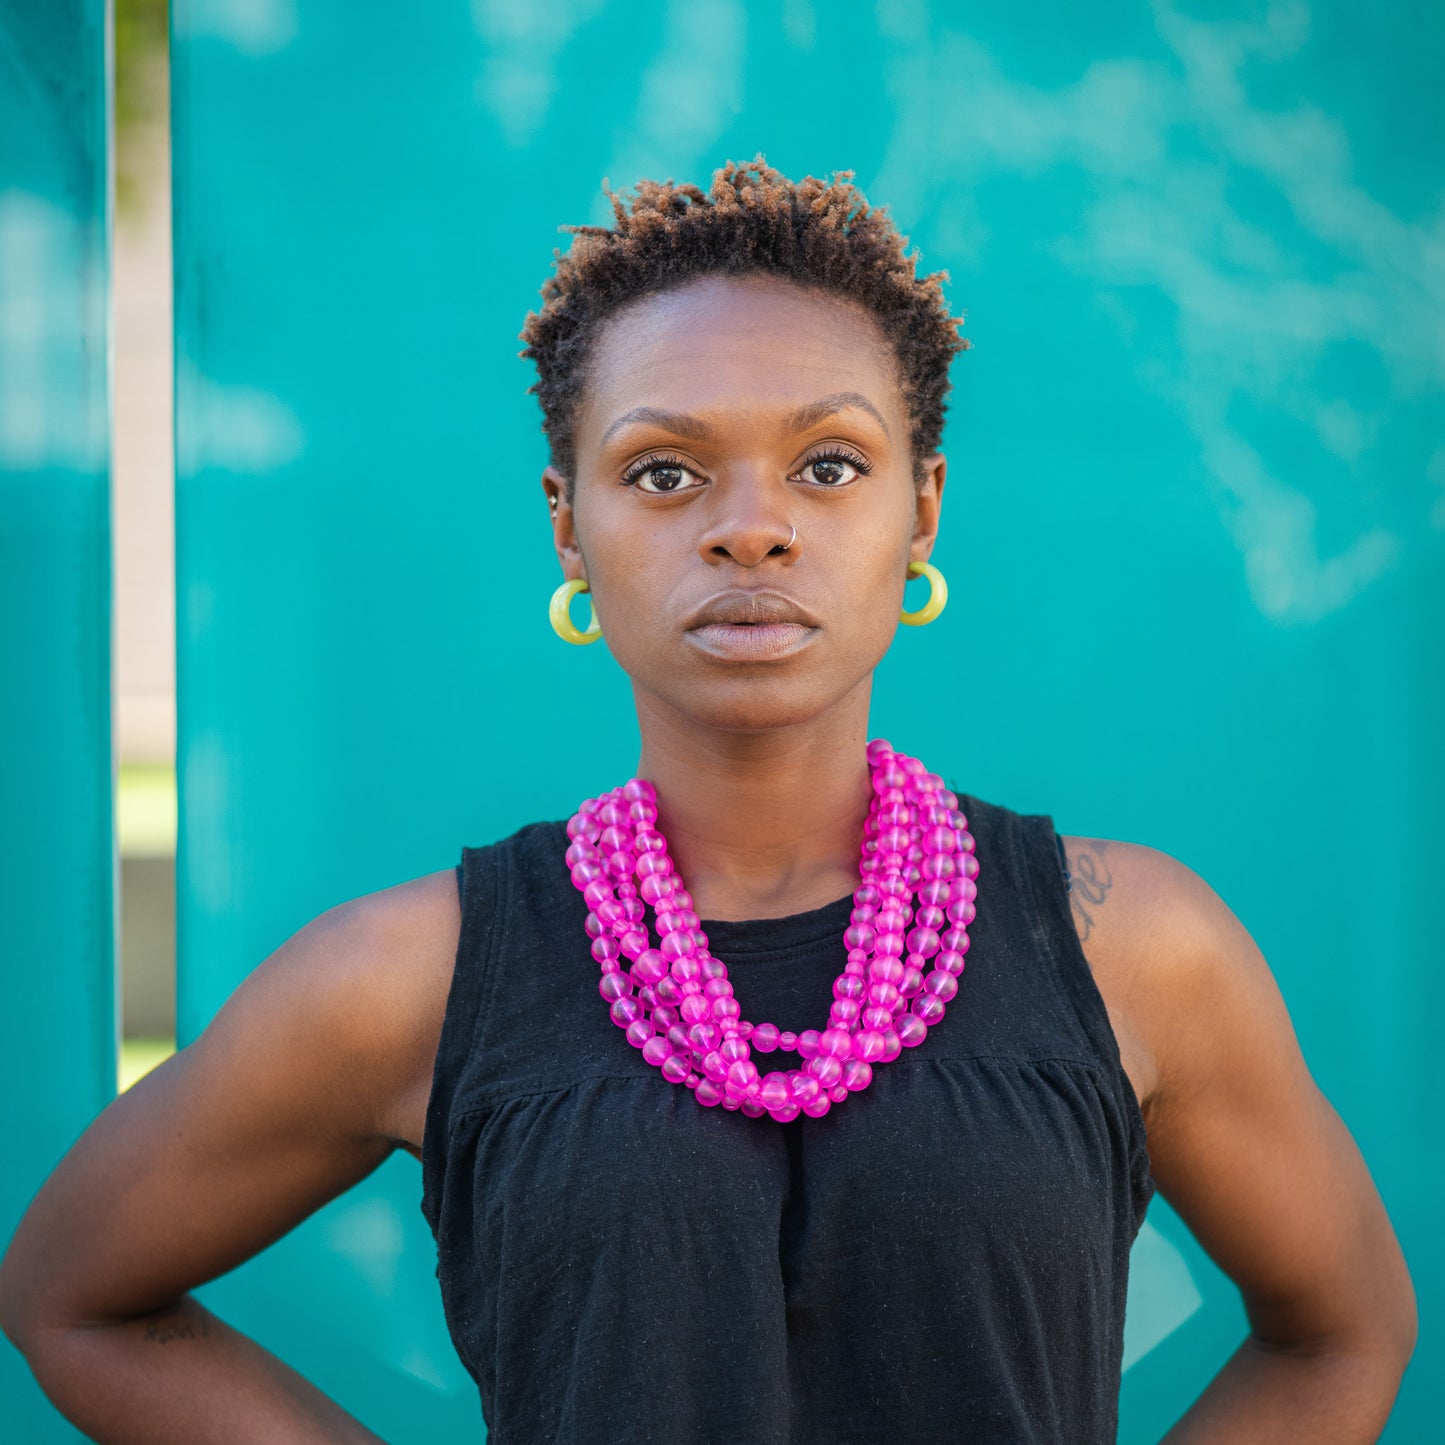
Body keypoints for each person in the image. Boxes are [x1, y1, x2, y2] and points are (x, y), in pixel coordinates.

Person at [0, 157, 1417, 1444]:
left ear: (920, 508)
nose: (750, 523)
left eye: (828, 464)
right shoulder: (413, 975)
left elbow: (1343, 1330)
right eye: (664, 471)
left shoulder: (1130, 945)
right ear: (569, 519)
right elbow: (73, 1293)